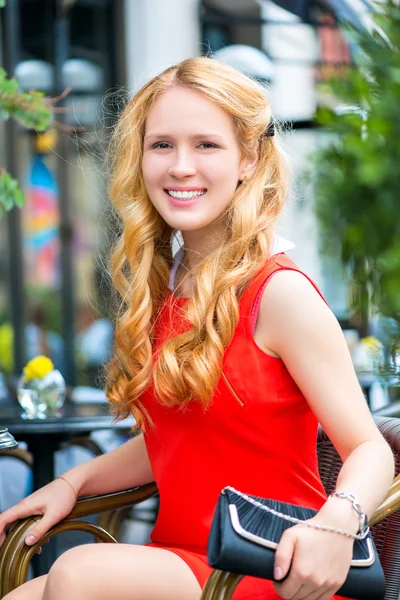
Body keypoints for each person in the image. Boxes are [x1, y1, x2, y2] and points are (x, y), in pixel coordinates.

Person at [0, 57, 394, 600]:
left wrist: (334, 523)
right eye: (162, 145)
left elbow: (371, 450)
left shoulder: (280, 293)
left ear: (249, 160)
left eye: (206, 145)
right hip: (179, 562)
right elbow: (175, 442)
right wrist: (71, 483)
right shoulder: (170, 282)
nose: (180, 166)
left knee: (75, 574)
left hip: (265, 565)